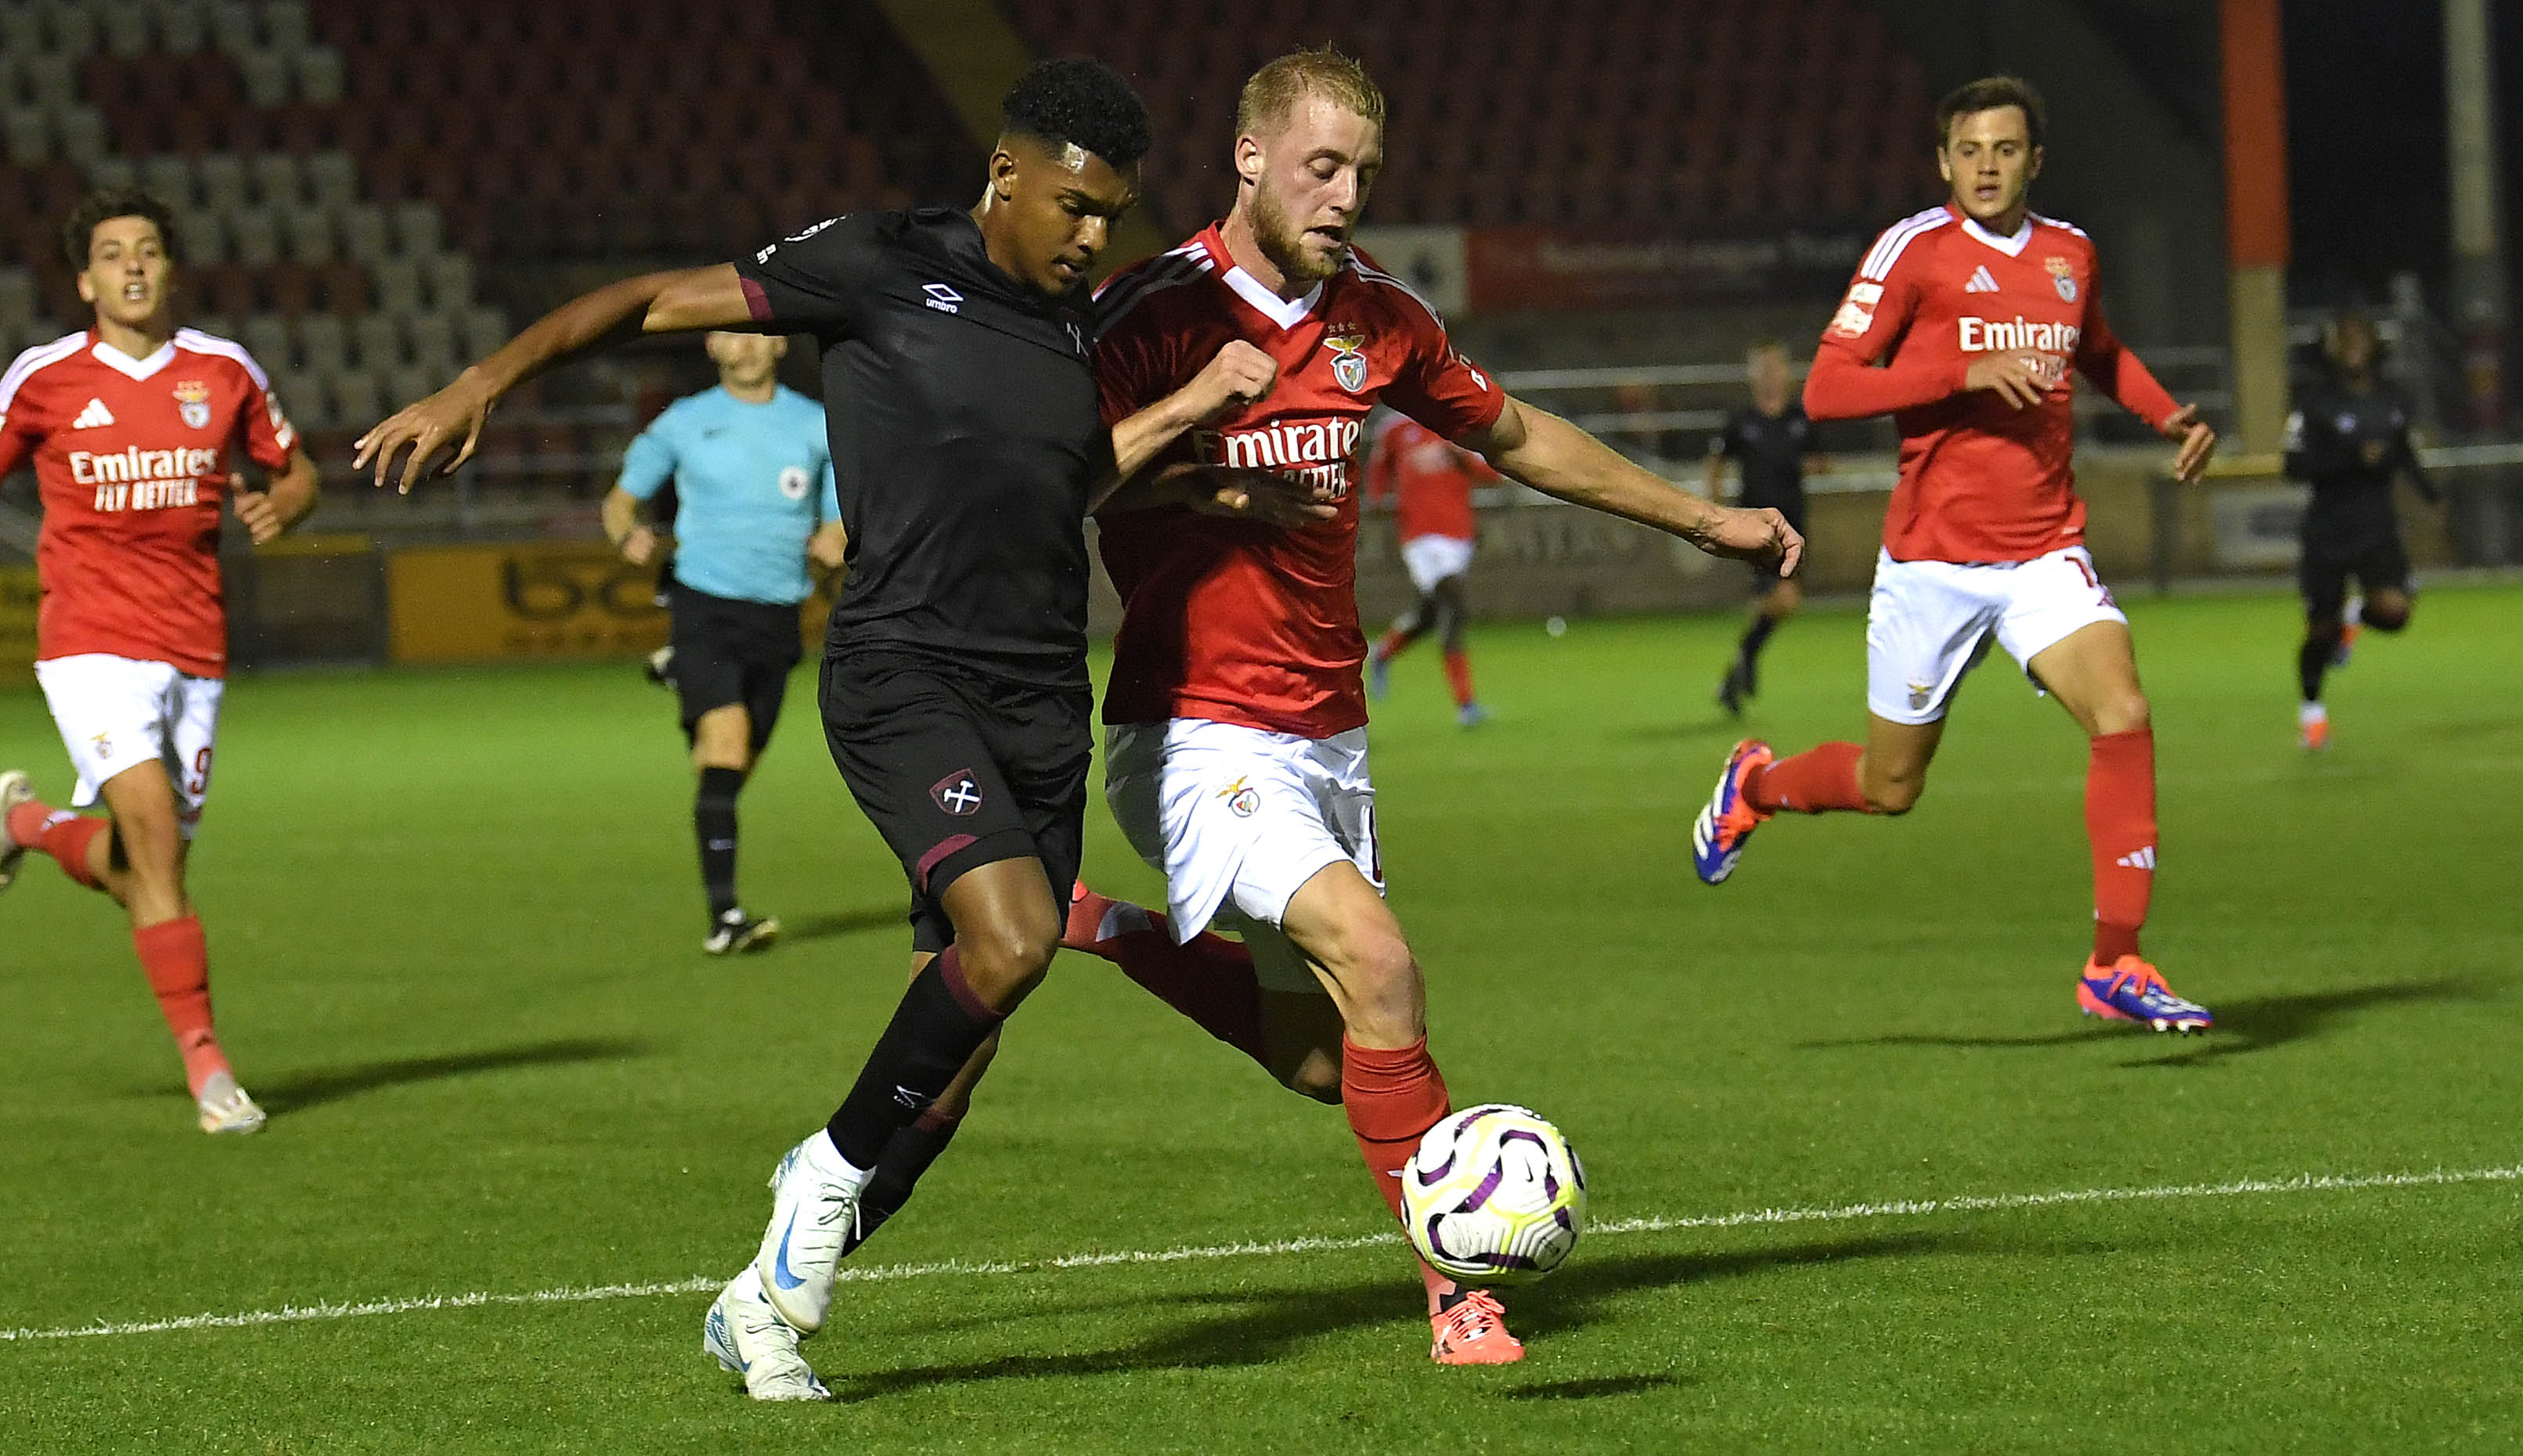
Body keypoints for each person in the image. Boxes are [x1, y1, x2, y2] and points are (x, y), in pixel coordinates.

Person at [357, 59, 1274, 1402]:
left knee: (953, 1064)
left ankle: (766, 1301)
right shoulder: (879, 264)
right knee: (1013, 939)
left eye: (1113, 213)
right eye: (1075, 205)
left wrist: (1182, 440)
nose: (1091, 236)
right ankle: (823, 1184)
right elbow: (643, 302)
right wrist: (478, 383)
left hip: (1038, 693)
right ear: (1008, 174)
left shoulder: (1083, 330)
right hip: (904, 671)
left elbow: (1054, 478)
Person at [1067, 49, 1796, 1366]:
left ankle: (1111, 931)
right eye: (1320, 167)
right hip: (1191, 728)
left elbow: (1510, 434)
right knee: (1385, 963)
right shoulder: (1152, 315)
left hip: (1327, 735)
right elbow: (1051, 479)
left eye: (1362, 174)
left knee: (1323, 1058)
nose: (1344, 196)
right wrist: (1193, 432)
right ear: (1248, 158)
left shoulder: (1373, 318)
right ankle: (1458, 1294)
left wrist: (1701, 519)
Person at [1687, 76, 2220, 1033]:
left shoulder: (2070, 255)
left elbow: (2094, 350)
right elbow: (1827, 389)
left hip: (2042, 551)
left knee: (2124, 710)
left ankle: (2115, 961)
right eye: (1969, 150)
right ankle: (1756, 784)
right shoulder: (1915, 252)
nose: (1986, 166)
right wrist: (1959, 371)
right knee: (1889, 787)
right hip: (1932, 562)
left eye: (2005, 150)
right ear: (1943, 162)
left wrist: (2164, 411)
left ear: (2034, 160)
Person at [0, 188, 319, 1134]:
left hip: (194, 646)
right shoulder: (44, 378)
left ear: (171, 269)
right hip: (89, 642)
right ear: (86, 277)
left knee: (152, 864)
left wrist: (284, 506)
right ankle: (209, 1070)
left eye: (148, 250)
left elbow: (293, 470)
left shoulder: (222, 371)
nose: (132, 266)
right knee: (147, 824)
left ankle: (23, 823)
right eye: (111, 253)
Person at [603, 330, 842, 952]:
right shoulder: (684, 422)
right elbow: (620, 501)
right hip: (703, 603)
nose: (744, 348)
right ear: (711, 346)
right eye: (731, 336)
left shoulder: (817, 424)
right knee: (727, 745)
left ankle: (681, 672)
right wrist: (625, 534)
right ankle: (725, 918)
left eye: (756, 335)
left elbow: (841, 515)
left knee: (727, 769)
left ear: (782, 344)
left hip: (778, 613)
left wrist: (836, 540)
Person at [2283, 310, 2438, 751]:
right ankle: (2312, 712)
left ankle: (2358, 617)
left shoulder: (2393, 399)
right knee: (2319, 632)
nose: (2354, 346)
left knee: (2396, 613)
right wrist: (2351, 460)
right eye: (2344, 337)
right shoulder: (2315, 402)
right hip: (2328, 529)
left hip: (2377, 525)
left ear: (2374, 345)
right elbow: (2292, 466)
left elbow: (2405, 451)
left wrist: (2432, 496)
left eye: (2361, 337)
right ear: (2332, 348)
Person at [1703, 338, 1831, 713]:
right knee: (1785, 598)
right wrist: (1717, 507)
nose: (1771, 375)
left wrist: (1811, 466)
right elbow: (1716, 461)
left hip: (1794, 524)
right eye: (1764, 368)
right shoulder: (1742, 421)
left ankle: (1739, 669)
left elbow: (1822, 461)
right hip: (1755, 525)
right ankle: (1744, 663)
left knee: (1776, 602)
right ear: (1753, 375)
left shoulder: (1799, 419)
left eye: (1776, 367)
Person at [1363, 410, 1500, 725]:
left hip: (1458, 533)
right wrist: (1376, 501)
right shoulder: (1394, 428)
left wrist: (1460, 455)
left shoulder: (1461, 423)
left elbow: (1493, 475)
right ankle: (1466, 706)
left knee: (1429, 615)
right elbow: (1378, 469)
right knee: (1453, 603)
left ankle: (1384, 652)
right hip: (1419, 536)